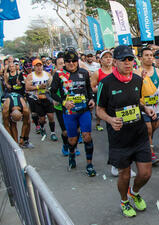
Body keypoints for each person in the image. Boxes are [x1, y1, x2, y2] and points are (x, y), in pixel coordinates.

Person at [96, 45, 155, 217]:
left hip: (139, 134)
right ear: (115, 62)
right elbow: (99, 110)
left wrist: (146, 109)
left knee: (145, 173)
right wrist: (110, 119)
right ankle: (124, 200)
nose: (128, 63)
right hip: (119, 138)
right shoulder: (105, 83)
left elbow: (137, 103)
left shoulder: (137, 80)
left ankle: (134, 193)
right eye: (124, 60)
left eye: (131, 59)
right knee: (124, 174)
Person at [50, 48, 96, 176]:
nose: (71, 63)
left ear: (78, 61)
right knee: (72, 139)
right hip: (70, 113)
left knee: (87, 136)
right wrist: (63, 102)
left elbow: (88, 89)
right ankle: (71, 155)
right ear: (64, 62)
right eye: (68, 61)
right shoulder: (59, 75)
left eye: (74, 61)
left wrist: (91, 99)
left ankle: (89, 164)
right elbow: (52, 92)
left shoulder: (84, 72)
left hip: (84, 110)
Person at [136, 47, 159, 165]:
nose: (149, 57)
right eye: (146, 55)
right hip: (143, 106)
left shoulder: (158, 71)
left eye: (151, 55)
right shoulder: (137, 72)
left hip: (155, 106)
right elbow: (134, 90)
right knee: (148, 129)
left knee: (154, 127)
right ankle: (151, 154)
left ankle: (145, 142)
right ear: (140, 58)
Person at [25, 58, 58, 141]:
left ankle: (53, 133)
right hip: (37, 100)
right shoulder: (31, 76)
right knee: (42, 119)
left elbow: (52, 85)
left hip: (47, 98)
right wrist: (38, 87)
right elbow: (27, 87)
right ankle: (42, 127)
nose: (39, 68)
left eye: (40, 66)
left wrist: (49, 88)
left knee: (51, 116)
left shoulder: (47, 74)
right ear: (34, 67)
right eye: (37, 66)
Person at [91, 50, 113, 131]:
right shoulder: (97, 73)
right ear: (100, 60)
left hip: (114, 97)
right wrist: (102, 89)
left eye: (110, 57)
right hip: (101, 97)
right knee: (99, 112)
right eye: (106, 57)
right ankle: (98, 123)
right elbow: (92, 88)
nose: (108, 59)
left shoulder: (116, 71)